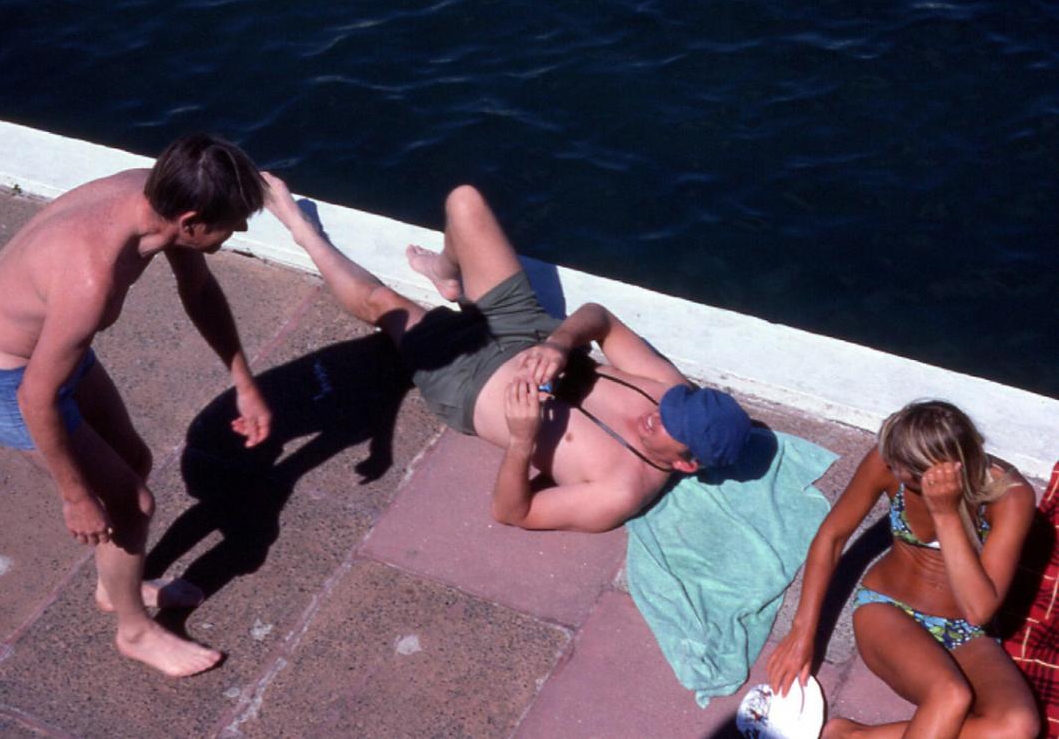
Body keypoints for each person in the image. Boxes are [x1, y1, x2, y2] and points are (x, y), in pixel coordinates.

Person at [0, 134, 272, 677]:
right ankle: (134, 631)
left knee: (133, 460)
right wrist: (74, 496)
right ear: (191, 221)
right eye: (233, 222)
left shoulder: (153, 198)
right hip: (7, 380)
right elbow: (36, 396)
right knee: (128, 503)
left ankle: (114, 584)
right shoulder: (91, 277)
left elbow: (198, 292)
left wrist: (244, 381)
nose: (238, 231)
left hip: (49, 355)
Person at [263, 175, 751, 533]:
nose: (656, 417)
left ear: (686, 465)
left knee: (383, 305)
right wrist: (560, 342)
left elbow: (513, 512)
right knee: (464, 201)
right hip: (530, 331)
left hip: (467, 383)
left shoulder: (619, 491)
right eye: (672, 408)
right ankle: (449, 277)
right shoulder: (669, 389)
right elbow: (600, 317)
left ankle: (302, 231)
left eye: (671, 428)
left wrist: (522, 439)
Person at [766, 400, 1040, 737]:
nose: (890, 466)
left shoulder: (1009, 496)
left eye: (900, 467)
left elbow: (978, 611)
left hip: (964, 629)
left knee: (1016, 726)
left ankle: (852, 736)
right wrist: (802, 631)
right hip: (888, 609)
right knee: (949, 696)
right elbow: (832, 537)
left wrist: (947, 514)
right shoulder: (886, 460)